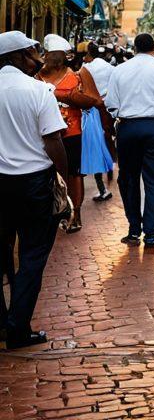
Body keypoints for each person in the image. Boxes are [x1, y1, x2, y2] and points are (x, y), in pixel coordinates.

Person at [0, 31, 68, 348]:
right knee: (33, 255)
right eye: (31, 51)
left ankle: (4, 322)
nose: (37, 57)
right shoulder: (39, 90)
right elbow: (53, 140)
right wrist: (63, 176)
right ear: (17, 56)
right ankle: (17, 328)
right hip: (34, 183)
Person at [105, 32, 154, 247]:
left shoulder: (119, 70)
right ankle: (151, 234)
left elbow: (111, 105)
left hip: (128, 127)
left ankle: (133, 229)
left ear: (135, 48)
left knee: (128, 180)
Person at [37, 34, 103, 233]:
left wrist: (65, 96)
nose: (47, 58)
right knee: (45, 174)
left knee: (74, 175)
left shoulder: (78, 74)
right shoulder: (36, 76)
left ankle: (75, 214)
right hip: (43, 135)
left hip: (71, 133)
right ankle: (52, 214)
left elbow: (96, 100)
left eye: (53, 55)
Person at [80, 40, 116, 202]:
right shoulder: (110, 67)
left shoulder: (85, 69)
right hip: (107, 108)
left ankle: (102, 187)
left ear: (88, 54)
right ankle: (110, 166)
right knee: (106, 138)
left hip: (92, 110)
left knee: (94, 145)